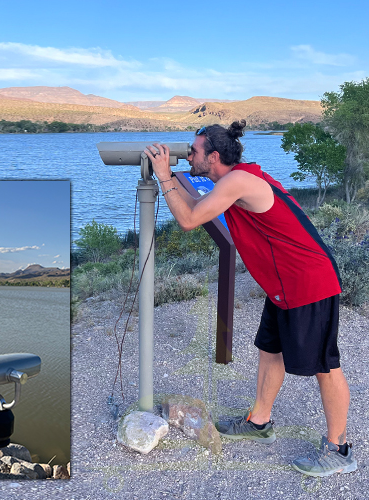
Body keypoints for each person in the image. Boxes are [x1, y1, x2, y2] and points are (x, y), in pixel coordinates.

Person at [146, 120, 356, 477]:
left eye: (193, 150)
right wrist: (172, 178)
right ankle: (259, 422)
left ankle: (339, 449)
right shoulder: (234, 179)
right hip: (284, 285)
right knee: (269, 350)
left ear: (213, 157)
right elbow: (198, 203)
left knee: (325, 365)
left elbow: (189, 218)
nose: (188, 155)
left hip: (309, 281)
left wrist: (164, 175)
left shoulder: (238, 181)